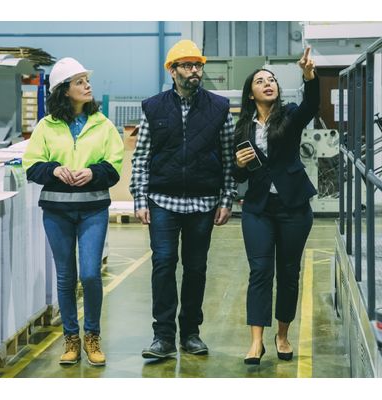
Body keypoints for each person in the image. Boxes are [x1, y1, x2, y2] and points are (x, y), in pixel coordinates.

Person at [130, 39, 237, 359]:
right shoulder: (153, 107)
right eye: (187, 65)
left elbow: (229, 158)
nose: (194, 71)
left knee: (196, 268)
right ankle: (163, 336)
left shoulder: (219, 107)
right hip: (163, 200)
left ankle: (190, 333)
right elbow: (141, 156)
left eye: (198, 65)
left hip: (203, 202)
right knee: (163, 264)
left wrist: (227, 198)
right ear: (172, 71)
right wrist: (139, 199)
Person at [22, 57, 124, 366]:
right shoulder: (46, 126)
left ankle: (92, 335)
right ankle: (71, 339)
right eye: (79, 82)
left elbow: (114, 166)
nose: (87, 85)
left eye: (87, 81)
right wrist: (54, 170)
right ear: (64, 90)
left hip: (93, 209)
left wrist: (93, 172)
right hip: (57, 211)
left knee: (90, 274)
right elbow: (32, 165)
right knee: (66, 277)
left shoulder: (103, 125)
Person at [233, 47, 319, 365]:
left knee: (288, 272)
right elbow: (237, 174)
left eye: (271, 80)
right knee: (260, 272)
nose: (268, 83)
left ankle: (282, 335)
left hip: (293, 207)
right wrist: (239, 164)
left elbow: (312, 104)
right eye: (260, 81)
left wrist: (309, 76)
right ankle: (256, 342)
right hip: (258, 209)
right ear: (251, 93)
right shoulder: (242, 127)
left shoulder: (291, 115)